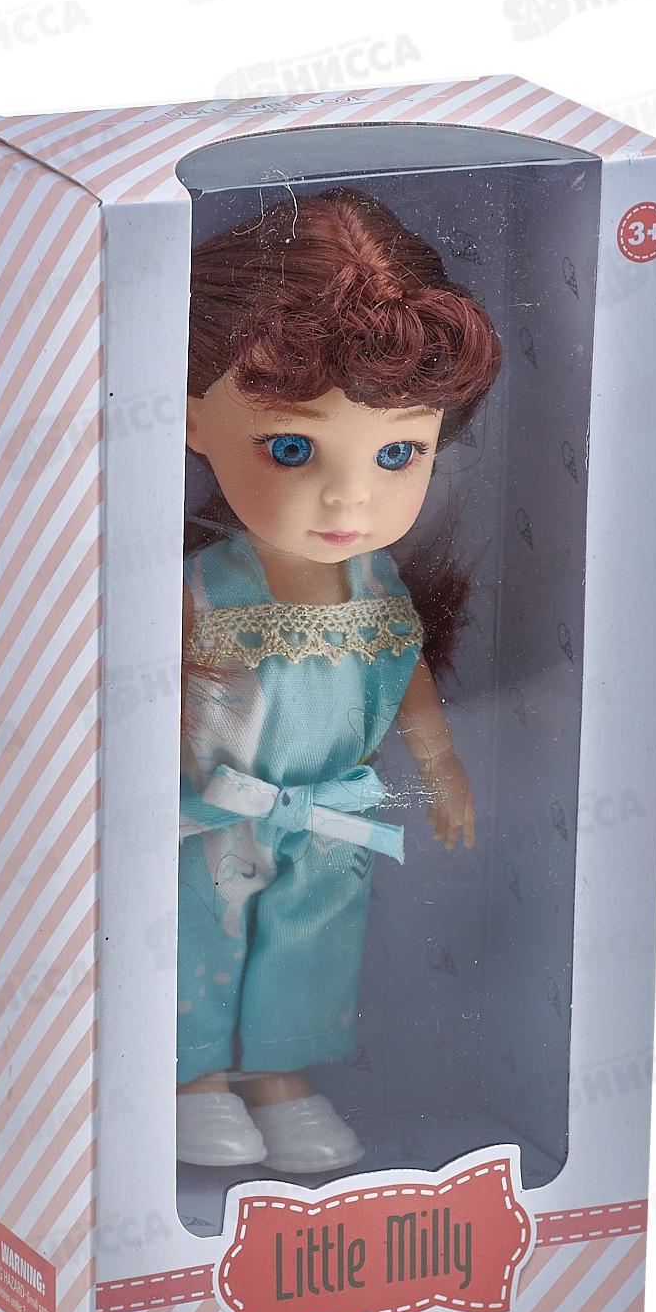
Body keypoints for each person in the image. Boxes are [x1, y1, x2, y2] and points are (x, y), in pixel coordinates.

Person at [176, 185, 502, 1173]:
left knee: (314, 946)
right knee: (202, 938)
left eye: (399, 452)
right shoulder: (202, 588)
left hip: (330, 816)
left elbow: (404, 678)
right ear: (193, 422)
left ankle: (280, 1076)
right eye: (292, 447)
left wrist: (441, 768)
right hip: (213, 813)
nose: (348, 496)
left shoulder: (378, 587)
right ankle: (194, 1076)